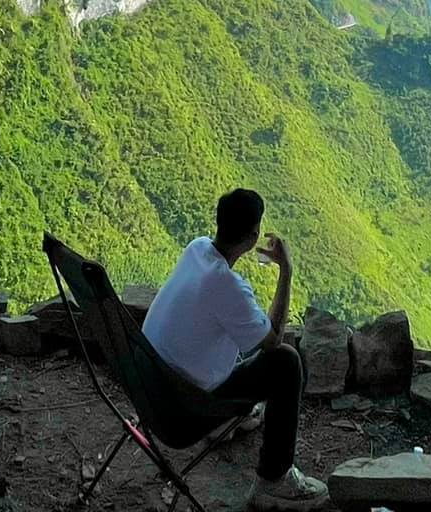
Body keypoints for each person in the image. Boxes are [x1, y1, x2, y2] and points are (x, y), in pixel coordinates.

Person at [141, 188, 329, 510]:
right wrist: (286, 270)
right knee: (286, 362)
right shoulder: (229, 288)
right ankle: (275, 480)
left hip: (148, 384)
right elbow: (274, 339)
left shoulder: (196, 248)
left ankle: (234, 420)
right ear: (254, 235)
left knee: (237, 337)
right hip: (184, 412)